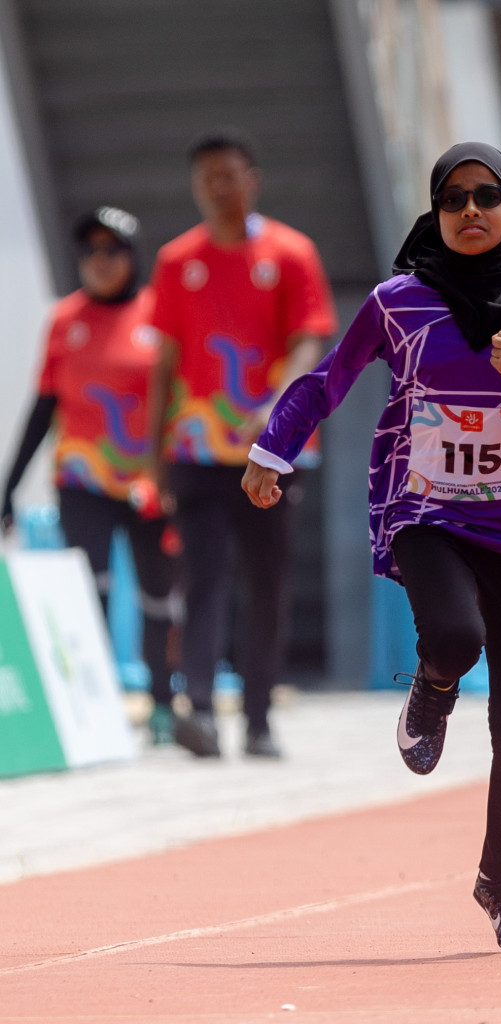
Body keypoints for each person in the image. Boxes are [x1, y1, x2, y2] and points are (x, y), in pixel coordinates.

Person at [242, 142, 501, 952]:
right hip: (423, 509)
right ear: (434, 214)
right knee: (453, 636)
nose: (469, 212)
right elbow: (327, 379)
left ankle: (500, 886)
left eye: (485, 197)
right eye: (452, 200)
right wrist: (273, 449)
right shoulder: (399, 301)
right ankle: (432, 686)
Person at [145, 129, 337, 759]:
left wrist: (277, 402)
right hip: (197, 448)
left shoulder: (290, 252)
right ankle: (197, 708)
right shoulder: (177, 260)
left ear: (252, 179)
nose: (217, 189)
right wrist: (154, 452)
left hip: (272, 449)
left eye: (228, 176)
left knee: (266, 582)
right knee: (200, 579)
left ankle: (258, 720)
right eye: (205, 179)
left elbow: (311, 340)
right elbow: (165, 361)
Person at [2, 206, 181, 743]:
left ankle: (163, 705)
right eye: (90, 252)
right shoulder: (64, 319)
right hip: (81, 478)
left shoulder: (161, 314)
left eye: (112, 250)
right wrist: (8, 486)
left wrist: (175, 477)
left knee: (157, 593)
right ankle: (91, 709)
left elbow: (181, 401)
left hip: (149, 481)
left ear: (133, 255)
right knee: (88, 591)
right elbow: (42, 406)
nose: (100, 262)